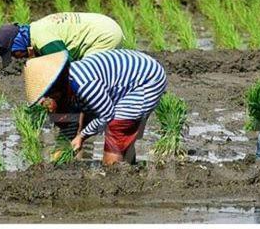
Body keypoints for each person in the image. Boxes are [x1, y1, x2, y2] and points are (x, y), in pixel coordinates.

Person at [23, 49, 167, 165]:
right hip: (123, 79)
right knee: (96, 119)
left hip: (147, 80)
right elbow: (81, 116)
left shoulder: (85, 85)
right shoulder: (67, 82)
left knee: (117, 125)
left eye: (48, 95)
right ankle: (129, 167)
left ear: (56, 87)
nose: (45, 101)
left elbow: (106, 116)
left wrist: (82, 136)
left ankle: (114, 174)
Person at [0, 12, 124, 68]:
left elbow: (66, 64)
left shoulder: (43, 39)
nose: (17, 58)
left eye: (14, 53)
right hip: (103, 23)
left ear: (17, 43)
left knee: (84, 74)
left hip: (104, 35)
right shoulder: (36, 29)